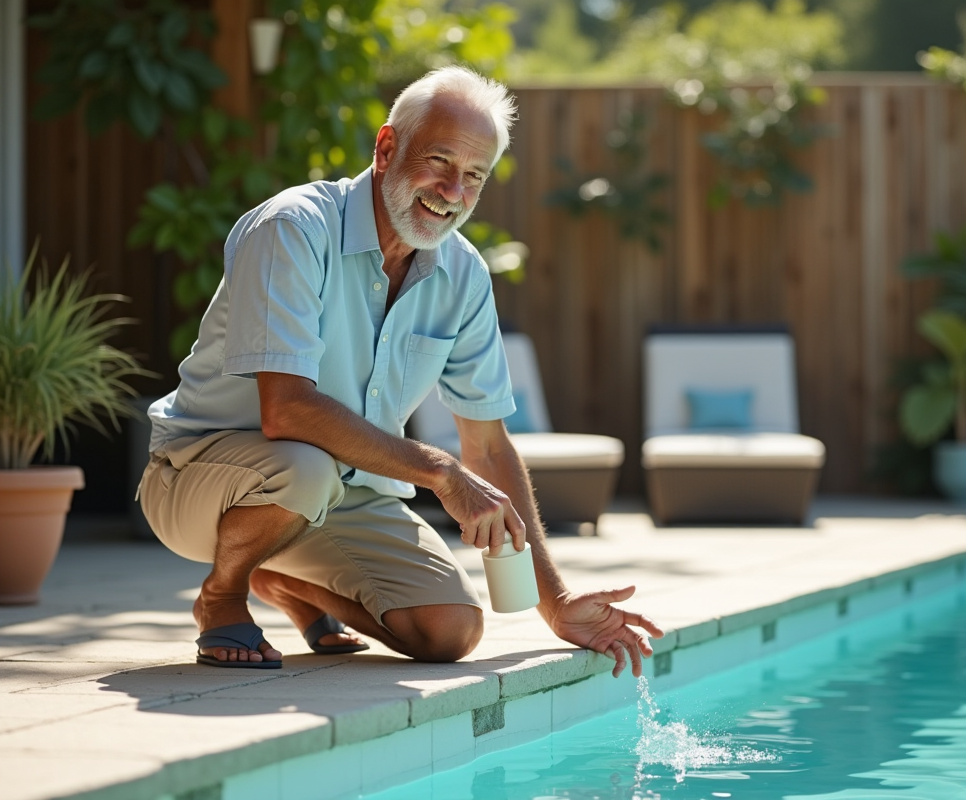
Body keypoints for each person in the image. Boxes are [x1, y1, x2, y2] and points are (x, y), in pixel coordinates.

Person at [139, 65, 661, 677]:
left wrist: (557, 601)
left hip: (343, 493)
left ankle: (284, 582)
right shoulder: (294, 229)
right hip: (203, 477)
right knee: (303, 466)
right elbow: (287, 410)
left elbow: (488, 446)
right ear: (387, 148)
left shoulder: (462, 274)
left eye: (474, 176)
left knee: (450, 632)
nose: (452, 191)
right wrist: (439, 470)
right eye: (439, 162)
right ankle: (223, 594)